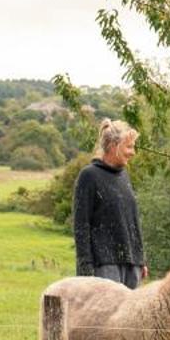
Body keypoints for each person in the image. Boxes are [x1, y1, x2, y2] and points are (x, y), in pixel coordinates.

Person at [72, 119, 145, 286]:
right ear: (113, 146)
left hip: (131, 265)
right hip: (104, 265)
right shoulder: (89, 176)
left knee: (132, 313)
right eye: (129, 146)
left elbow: (132, 221)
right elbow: (81, 226)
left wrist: (141, 259)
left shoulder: (124, 176)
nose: (133, 152)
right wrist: (85, 270)